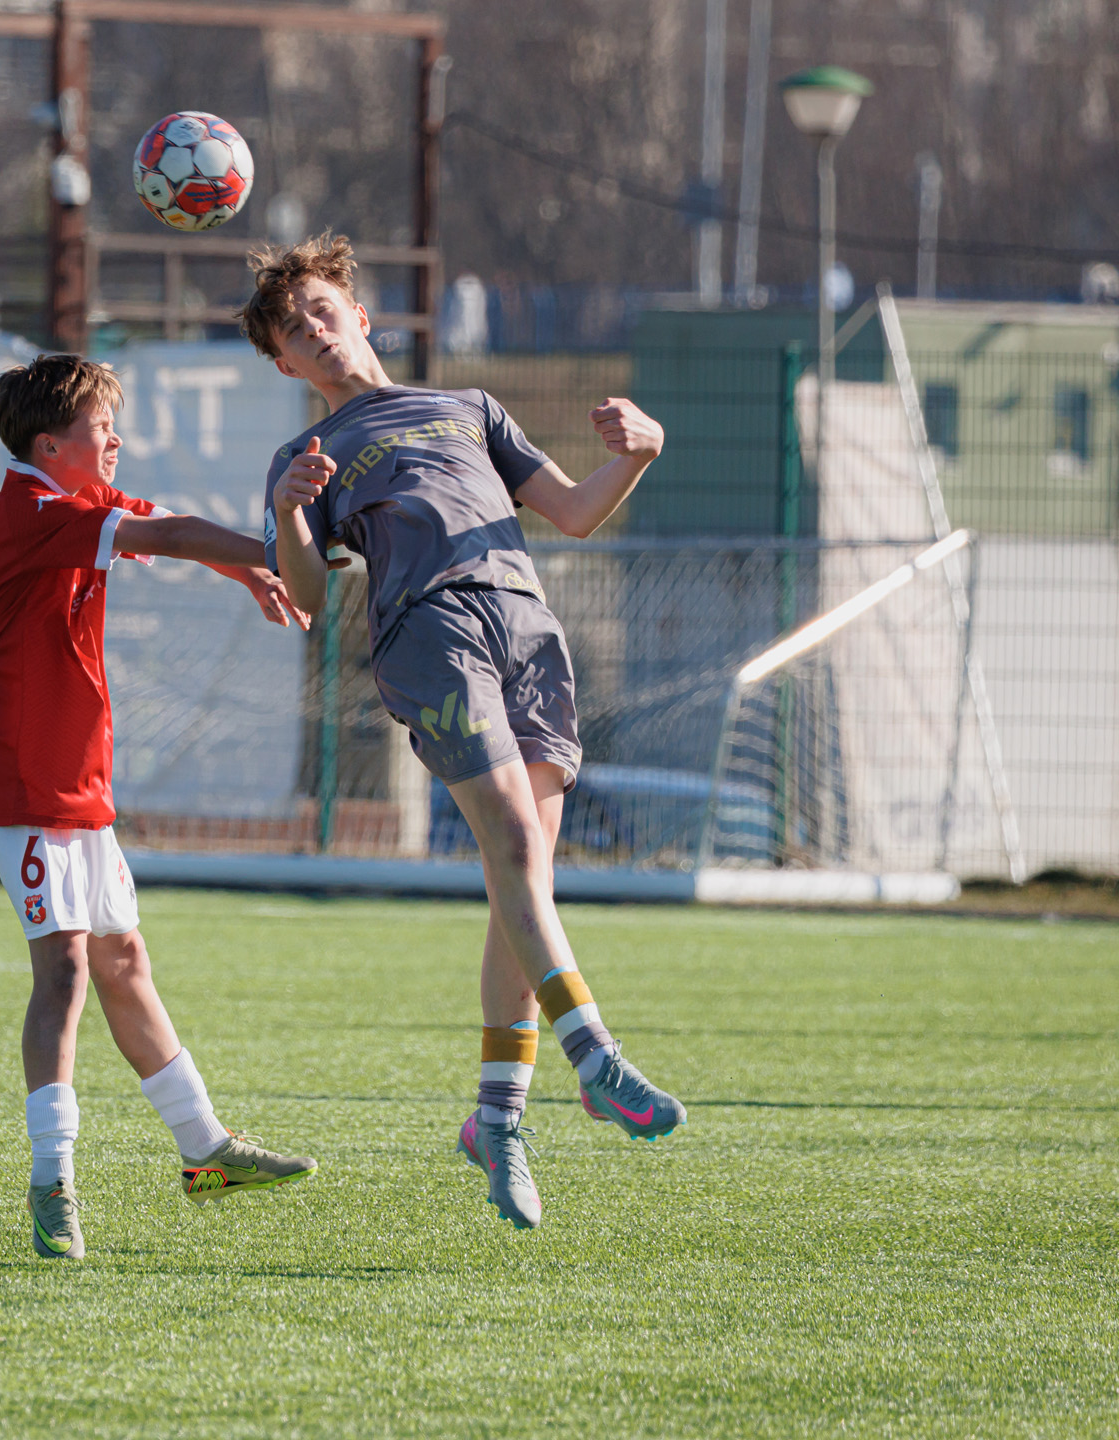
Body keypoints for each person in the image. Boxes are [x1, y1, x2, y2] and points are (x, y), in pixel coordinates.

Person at [242, 234, 685, 1231]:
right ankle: (595, 1057)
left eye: (321, 310)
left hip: (527, 626)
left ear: (359, 313)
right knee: (515, 846)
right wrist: (292, 516)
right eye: (292, 332)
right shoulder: (304, 460)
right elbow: (306, 594)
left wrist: (638, 455)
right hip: (428, 633)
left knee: (523, 885)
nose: (313, 331)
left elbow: (574, 512)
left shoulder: (469, 407)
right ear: (285, 365)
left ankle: (497, 1119)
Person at [0, 353, 318, 1260]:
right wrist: (277, 552)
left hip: (76, 784)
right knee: (66, 971)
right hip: (23, 786)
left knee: (123, 959)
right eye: (101, 427)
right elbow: (173, 534)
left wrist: (246, 572)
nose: (116, 440)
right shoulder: (33, 512)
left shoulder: (76, 501)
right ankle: (52, 1181)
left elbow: (164, 524)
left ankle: (206, 1151)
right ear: (51, 446)